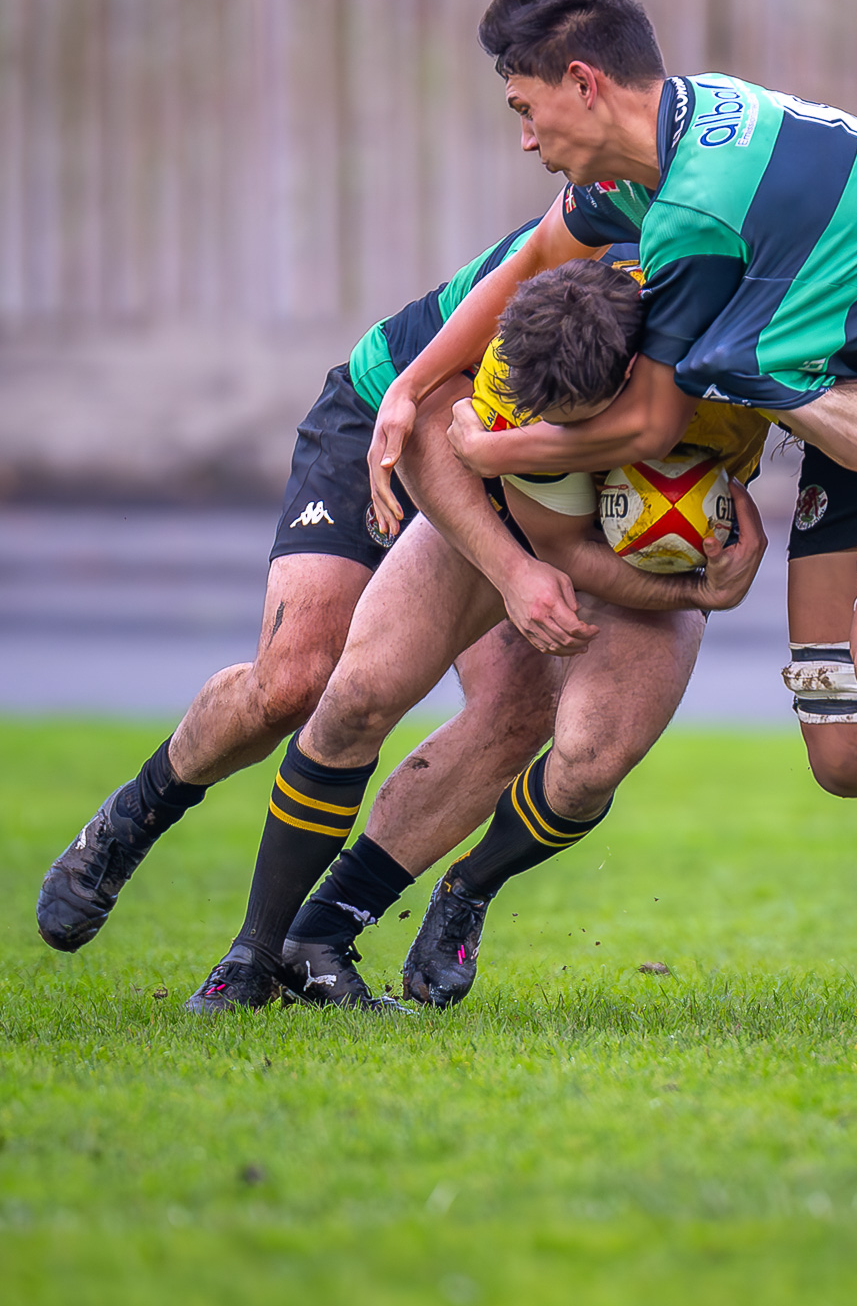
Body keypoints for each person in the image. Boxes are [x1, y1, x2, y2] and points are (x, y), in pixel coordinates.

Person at [363, 0, 857, 1036]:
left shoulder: (703, 211)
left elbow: (651, 429)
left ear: (583, 83)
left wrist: (493, 441)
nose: (526, 138)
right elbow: (537, 252)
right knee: (849, 752)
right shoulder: (651, 157)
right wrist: (410, 383)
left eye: (526, 108)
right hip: (851, 406)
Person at [182, 259, 778, 1012]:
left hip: (657, 546)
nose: (556, 430)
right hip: (519, 511)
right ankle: (256, 951)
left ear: (633, 370)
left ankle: (450, 892)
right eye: (546, 421)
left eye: (574, 418)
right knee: (358, 694)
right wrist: (688, 589)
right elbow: (559, 542)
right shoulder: (516, 361)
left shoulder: (742, 340)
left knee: (592, 759)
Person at [35, 220, 599, 959]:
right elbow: (436, 413)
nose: (531, 143)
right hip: (390, 410)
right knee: (292, 682)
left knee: (521, 706)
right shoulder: (592, 221)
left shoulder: (686, 255)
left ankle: (324, 930)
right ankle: (136, 813)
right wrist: (517, 570)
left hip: (501, 460)